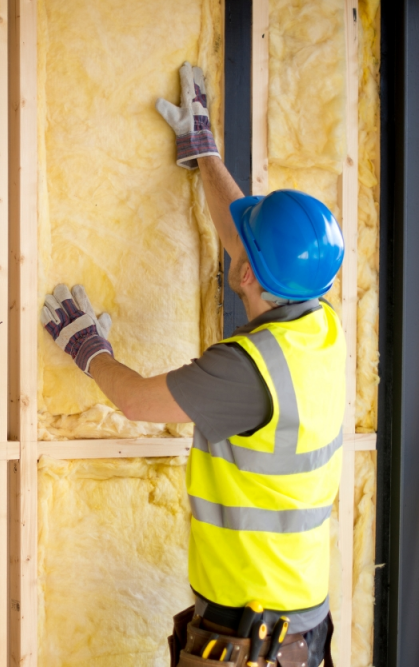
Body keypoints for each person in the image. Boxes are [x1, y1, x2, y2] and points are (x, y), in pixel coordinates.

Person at [41, 63, 345, 667]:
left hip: (254, 641)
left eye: (246, 251)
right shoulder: (319, 327)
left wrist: (89, 348)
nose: (238, 248)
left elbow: (136, 402)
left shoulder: (247, 372)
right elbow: (246, 241)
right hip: (298, 625)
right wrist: (203, 151)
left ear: (248, 277)